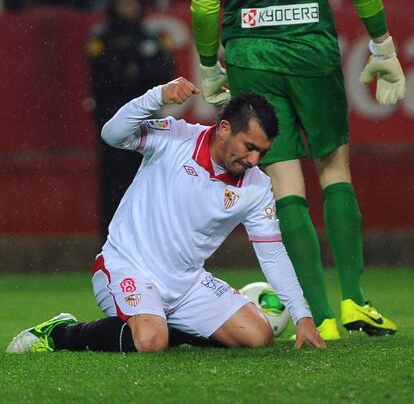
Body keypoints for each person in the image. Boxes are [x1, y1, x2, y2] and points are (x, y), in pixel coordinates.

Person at [190, 0, 406, 340]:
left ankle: (322, 317)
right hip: (310, 44)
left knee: (285, 182)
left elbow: (202, 0)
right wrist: (383, 43)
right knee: (334, 169)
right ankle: (355, 301)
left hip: (251, 54)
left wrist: (208, 62)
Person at [7, 77, 325, 354]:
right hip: (126, 265)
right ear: (225, 129)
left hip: (186, 284)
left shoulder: (257, 186)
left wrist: (303, 316)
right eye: (249, 146)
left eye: (262, 152)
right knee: (149, 341)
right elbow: (112, 134)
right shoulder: (175, 138)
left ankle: (160, 320)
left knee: (258, 335)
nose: (254, 159)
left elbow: (272, 253)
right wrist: (157, 97)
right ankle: (61, 333)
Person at [86, 0, 176, 239]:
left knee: (148, 188)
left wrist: (130, 71)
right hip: (113, 124)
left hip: (147, 127)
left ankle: (148, 245)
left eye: (132, 1)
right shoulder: (101, 37)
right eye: (124, 2)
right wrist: (135, 71)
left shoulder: (151, 37)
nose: (129, 7)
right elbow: (105, 78)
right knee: (113, 188)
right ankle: (111, 244)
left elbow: (164, 73)